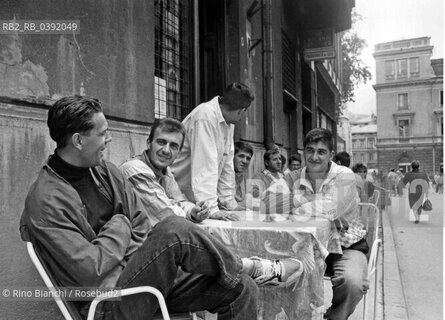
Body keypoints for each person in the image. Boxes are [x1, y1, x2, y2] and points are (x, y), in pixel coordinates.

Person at [19, 96, 303, 320]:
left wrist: (140, 256)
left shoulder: (106, 172)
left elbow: (140, 224)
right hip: (108, 304)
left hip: (144, 279)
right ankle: (249, 265)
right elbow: (89, 270)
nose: (110, 140)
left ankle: (245, 271)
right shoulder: (45, 201)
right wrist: (119, 225)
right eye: (103, 134)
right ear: (79, 141)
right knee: (174, 229)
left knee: (241, 288)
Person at [291, 128, 369, 320]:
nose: (314, 157)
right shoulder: (294, 176)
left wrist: (299, 203)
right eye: (310, 150)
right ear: (303, 152)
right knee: (279, 274)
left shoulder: (344, 175)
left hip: (346, 246)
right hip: (307, 248)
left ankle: (334, 317)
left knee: (352, 283)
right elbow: (271, 202)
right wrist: (326, 207)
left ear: (331, 155)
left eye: (321, 151)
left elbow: (330, 207)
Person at [171, 82, 254, 221]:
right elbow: (205, 166)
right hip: (177, 195)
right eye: (244, 113)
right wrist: (211, 209)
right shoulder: (205, 116)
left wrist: (230, 203)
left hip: (194, 201)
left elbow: (227, 164)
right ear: (241, 111)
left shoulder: (228, 123)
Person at [120, 117, 210, 226]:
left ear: (179, 152)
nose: (166, 150)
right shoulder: (135, 169)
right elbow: (167, 214)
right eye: (161, 142)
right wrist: (189, 214)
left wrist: (194, 211)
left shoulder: (165, 171)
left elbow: (179, 201)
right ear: (149, 143)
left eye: (173, 146)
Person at [233, 141, 254, 208]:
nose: (245, 161)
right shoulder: (222, 176)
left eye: (248, 158)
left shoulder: (242, 175)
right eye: (241, 156)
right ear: (232, 156)